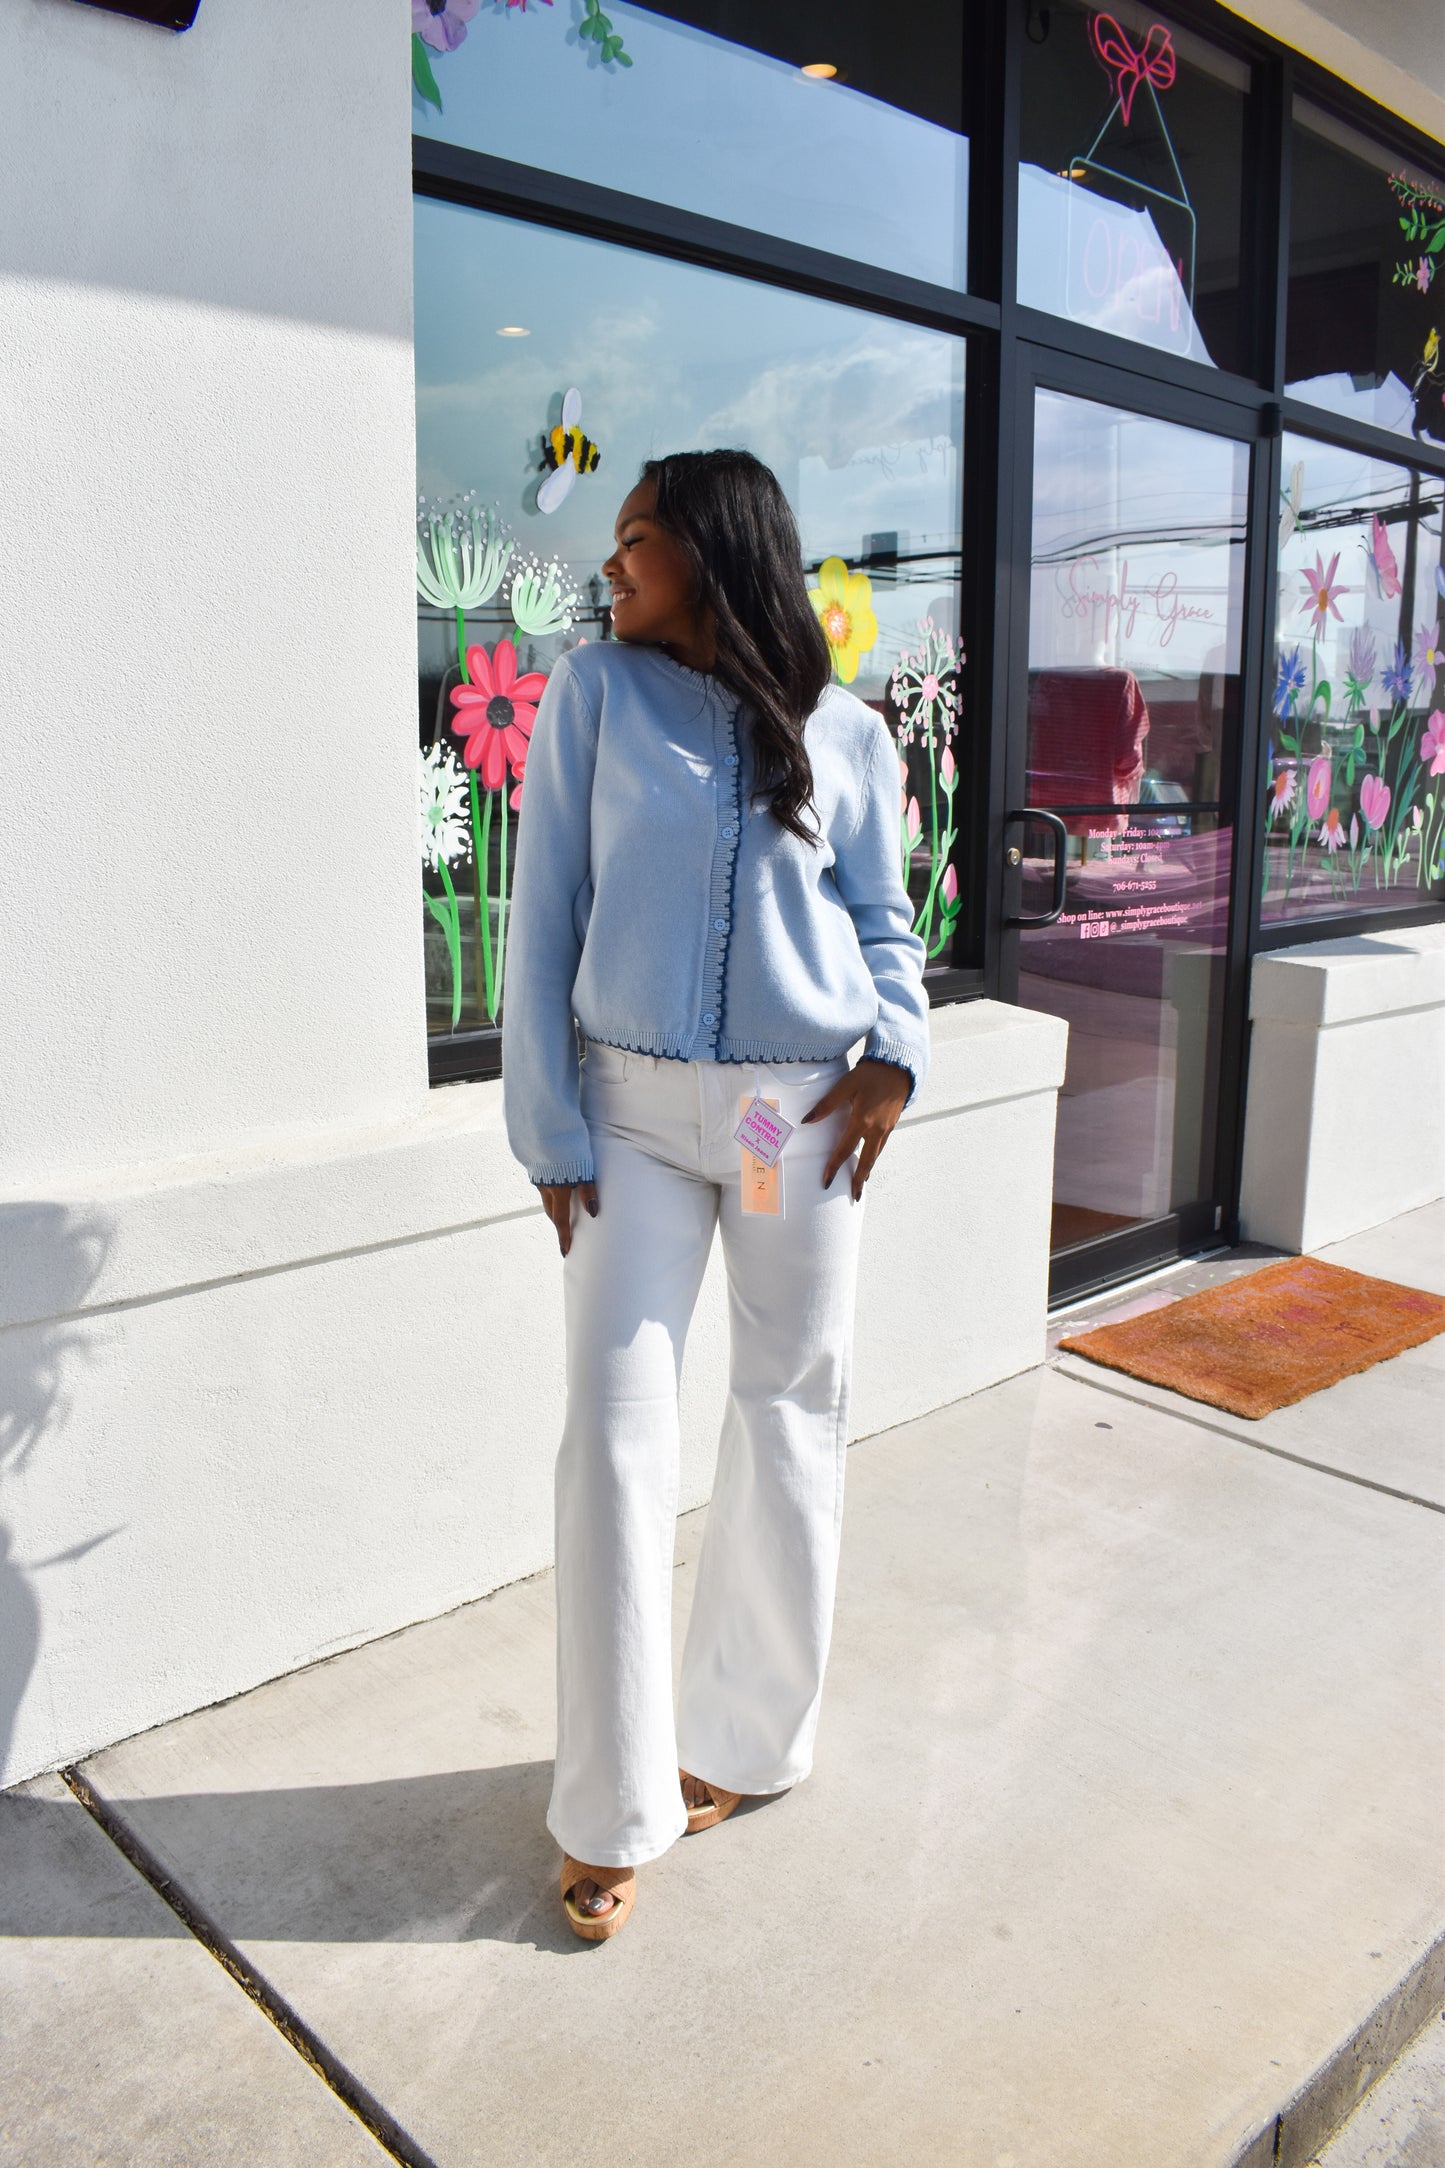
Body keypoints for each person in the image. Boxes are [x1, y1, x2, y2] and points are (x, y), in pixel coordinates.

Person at [502, 448, 930, 1940]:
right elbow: (539, 911)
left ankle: (744, 1740)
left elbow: (887, 919)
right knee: (614, 1436)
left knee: (783, 1403)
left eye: (634, 543)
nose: (608, 569)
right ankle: (608, 1803)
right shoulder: (593, 700)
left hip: (778, 1116)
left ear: (713, 550)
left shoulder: (845, 733)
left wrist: (895, 1054)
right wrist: (547, 1126)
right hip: (626, 1114)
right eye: (609, 543)